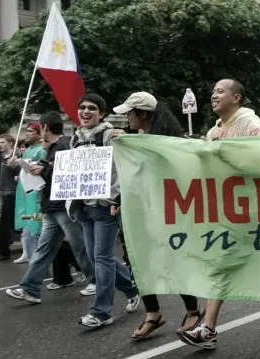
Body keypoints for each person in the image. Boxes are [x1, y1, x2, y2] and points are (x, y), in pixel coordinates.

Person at [178, 79, 260, 349]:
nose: (213, 95)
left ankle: (211, 327)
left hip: (256, 209)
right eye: (212, 92)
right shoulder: (214, 131)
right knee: (220, 262)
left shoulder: (251, 125)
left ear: (237, 98)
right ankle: (208, 327)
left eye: (220, 91)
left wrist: (221, 157)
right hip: (226, 210)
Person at [112, 91, 203, 339]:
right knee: (137, 258)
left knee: (176, 257)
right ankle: (153, 313)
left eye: (129, 113)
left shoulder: (169, 142)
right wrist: (120, 199)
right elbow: (136, 176)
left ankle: (193, 310)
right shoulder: (136, 139)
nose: (126, 118)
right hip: (141, 208)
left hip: (170, 209)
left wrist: (132, 143)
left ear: (142, 114)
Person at [5, 111, 95, 304]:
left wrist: (44, 169)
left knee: (79, 246)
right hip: (51, 206)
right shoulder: (54, 146)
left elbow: (69, 170)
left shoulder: (64, 144)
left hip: (63, 205)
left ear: (45, 127)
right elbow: (51, 170)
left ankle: (97, 280)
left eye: (40, 127)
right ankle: (30, 288)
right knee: (44, 250)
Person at [69, 93, 140, 328]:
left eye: (92, 108)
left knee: (101, 258)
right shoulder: (75, 138)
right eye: (82, 108)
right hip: (84, 207)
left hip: (105, 207)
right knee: (96, 258)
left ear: (101, 113)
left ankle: (102, 311)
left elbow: (124, 166)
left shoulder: (109, 135)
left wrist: (116, 197)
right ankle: (131, 287)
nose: (86, 112)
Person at [13, 122, 47, 264]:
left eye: (30, 131)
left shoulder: (41, 150)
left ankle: (38, 264)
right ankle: (30, 257)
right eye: (26, 131)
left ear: (40, 134)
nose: (27, 133)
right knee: (27, 228)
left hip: (35, 198)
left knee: (36, 230)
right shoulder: (27, 151)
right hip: (25, 198)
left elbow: (41, 172)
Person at [0, 134, 18, 262]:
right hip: (4, 194)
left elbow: (19, 176)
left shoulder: (15, 158)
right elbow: (2, 178)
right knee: (12, 224)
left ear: (11, 143)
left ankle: (4, 252)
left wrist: (16, 169)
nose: (0, 144)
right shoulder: (1, 158)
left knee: (5, 224)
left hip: (12, 194)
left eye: (3, 142)